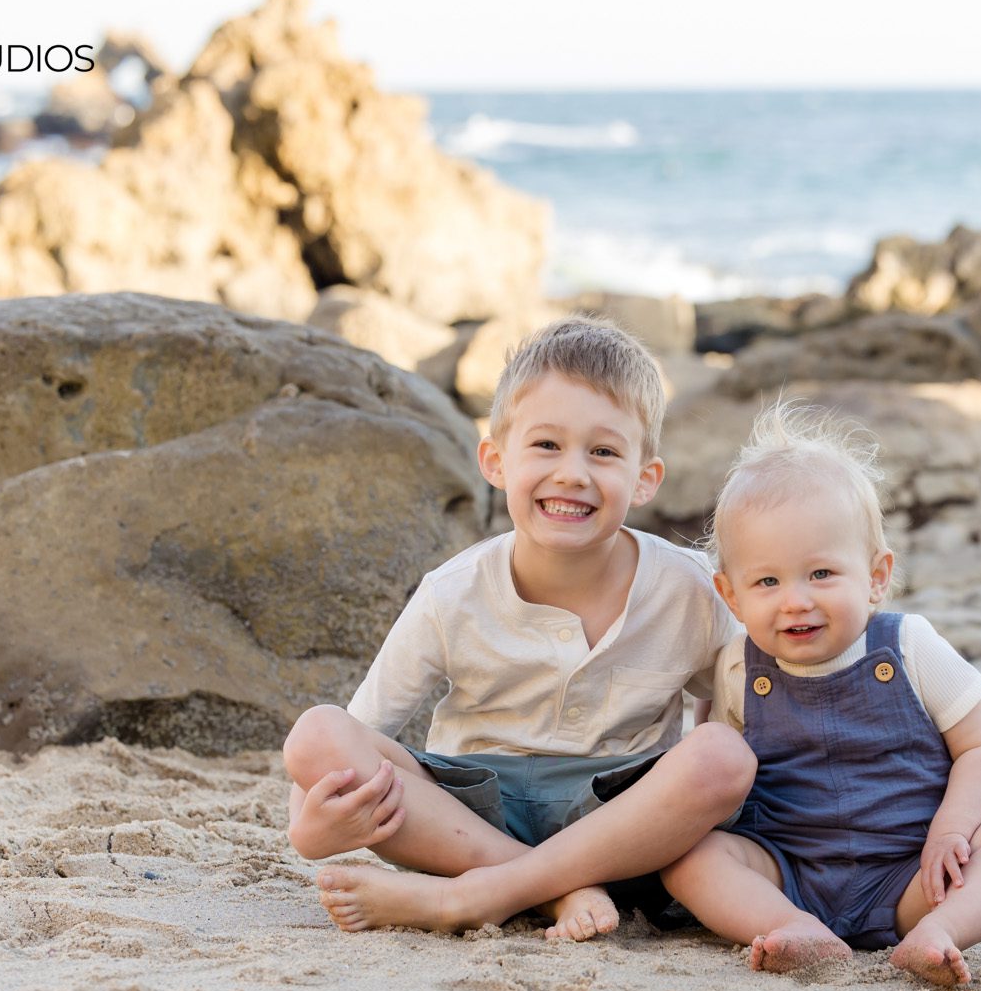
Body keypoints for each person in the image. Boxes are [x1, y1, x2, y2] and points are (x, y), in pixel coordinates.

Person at [284, 317, 752, 941]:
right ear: (495, 460)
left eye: (604, 452)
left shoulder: (692, 588)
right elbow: (352, 741)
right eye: (546, 446)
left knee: (725, 758)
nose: (572, 474)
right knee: (316, 734)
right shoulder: (452, 593)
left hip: (619, 831)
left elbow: (728, 726)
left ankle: (478, 898)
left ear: (645, 477)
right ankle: (542, 889)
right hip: (464, 824)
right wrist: (308, 831)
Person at [660, 401, 981, 985]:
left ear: (875, 577)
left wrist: (950, 831)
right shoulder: (739, 667)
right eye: (767, 581)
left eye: (820, 574)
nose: (795, 599)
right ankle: (792, 927)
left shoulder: (910, 646)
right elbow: (726, 777)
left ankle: (938, 933)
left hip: (911, 877)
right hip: (790, 871)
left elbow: (980, 747)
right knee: (689, 856)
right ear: (731, 595)